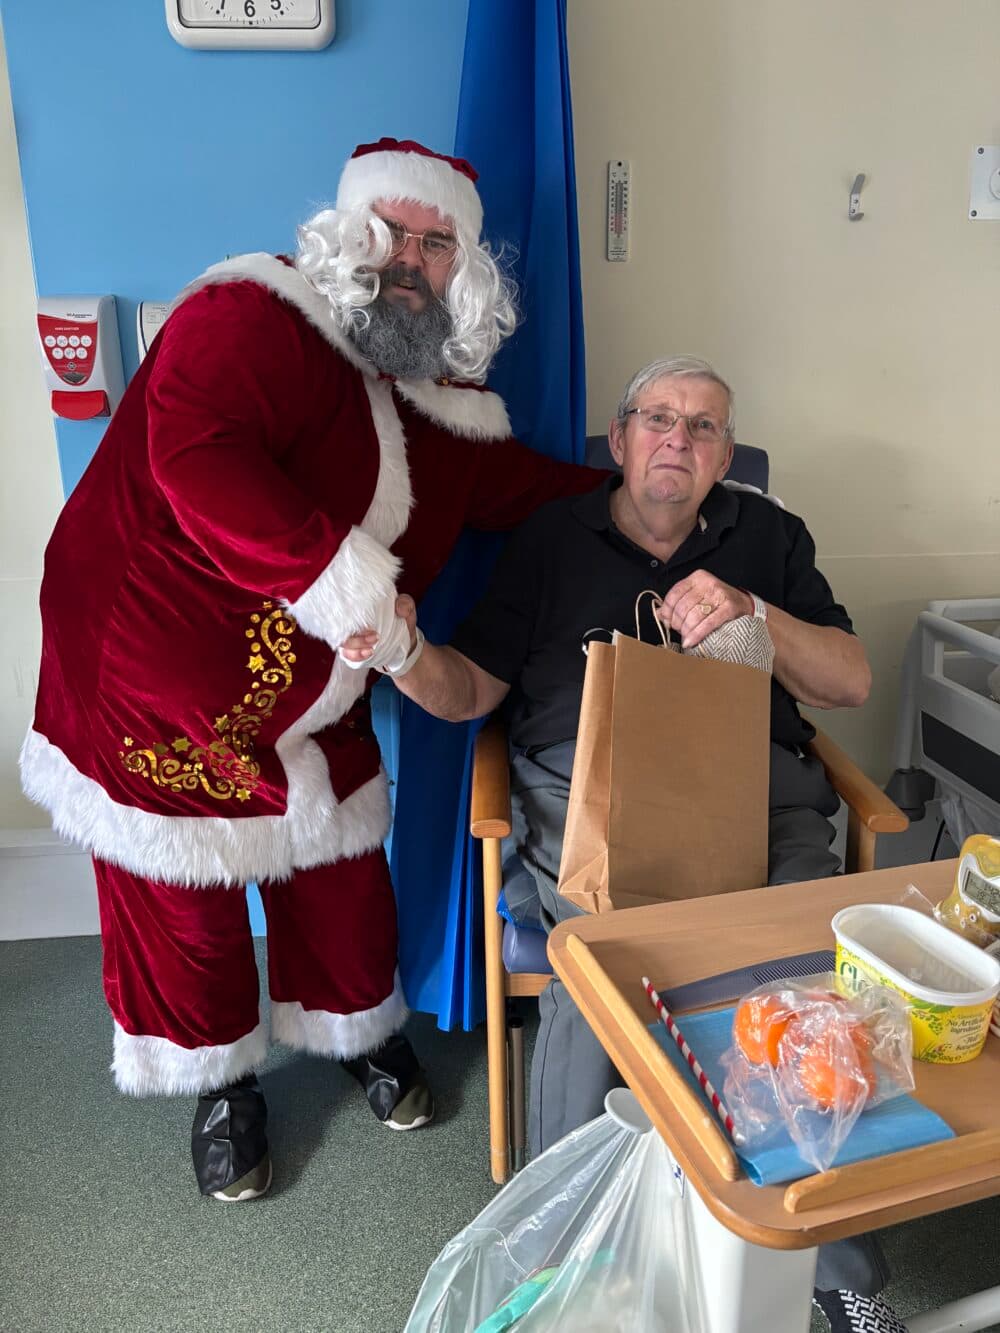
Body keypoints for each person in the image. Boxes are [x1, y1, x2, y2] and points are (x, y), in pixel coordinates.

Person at [20, 137, 605, 1203]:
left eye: (436, 242)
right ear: (345, 233)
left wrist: (648, 484)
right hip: (152, 670)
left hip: (320, 682)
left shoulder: (439, 409)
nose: (410, 258)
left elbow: (521, 485)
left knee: (341, 872)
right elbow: (196, 455)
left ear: (460, 269)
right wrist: (355, 596)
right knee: (181, 895)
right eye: (391, 231)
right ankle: (221, 1083)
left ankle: (355, 1035)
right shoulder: (246, 315)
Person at [346, 357, 911, 1333]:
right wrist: (401, 652)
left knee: (798, 991)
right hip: (589, 812)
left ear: (726, 456)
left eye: (702, 427)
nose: (678, 441)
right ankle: (568, 1267)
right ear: (619, 440)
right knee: (598, 980)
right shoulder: (548, 542)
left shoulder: (766, 536)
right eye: (659, 419)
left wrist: (759, 620)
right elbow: (470, 687)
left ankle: (841, 1280)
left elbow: (852, 680)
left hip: (761, 812)